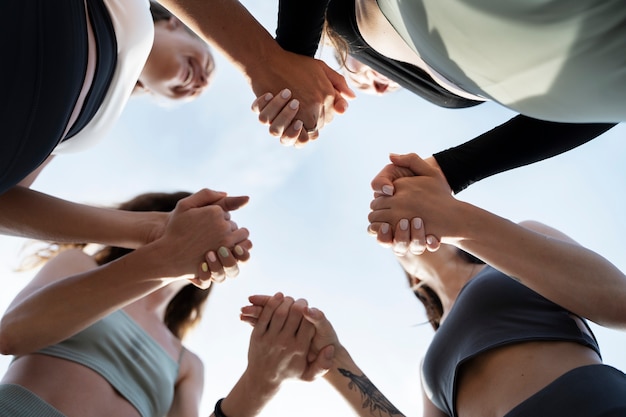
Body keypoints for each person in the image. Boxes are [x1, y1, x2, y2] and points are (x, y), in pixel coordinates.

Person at [242, 154, 626, 415]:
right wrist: (335, 361)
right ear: (408, 273)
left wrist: (453, 218)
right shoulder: (430, 364)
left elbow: (618, 301)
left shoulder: (519, 243)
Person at [0, 192, 328, 417]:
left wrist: (263, 380)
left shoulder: (187, 363)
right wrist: (165, 258)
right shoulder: (79, 265)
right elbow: (12, 333)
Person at [253, 0, 617, 192]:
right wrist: (452, 171)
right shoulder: (457, 89)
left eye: (357, 81)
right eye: (392, 88)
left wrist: (293, 56)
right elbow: (595, 105)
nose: (381, 87)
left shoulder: (343, 19)